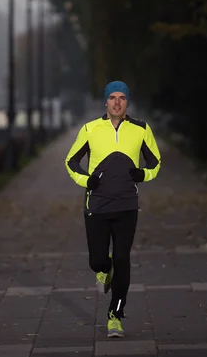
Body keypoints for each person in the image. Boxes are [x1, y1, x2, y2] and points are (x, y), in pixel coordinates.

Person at [64, 80, 161, 338]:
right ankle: (103, 272)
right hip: (96, 205)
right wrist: (87, 181)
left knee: (122, 259)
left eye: (122, 98)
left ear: (127, 102)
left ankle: (115, 315)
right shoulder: (90, 129)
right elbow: (71, 161)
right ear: (105, 102)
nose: (117, 102)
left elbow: (155, 162)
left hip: (127, 205)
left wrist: (143, 175)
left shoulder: (141, 129)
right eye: (112, 98)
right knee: (98, 261)